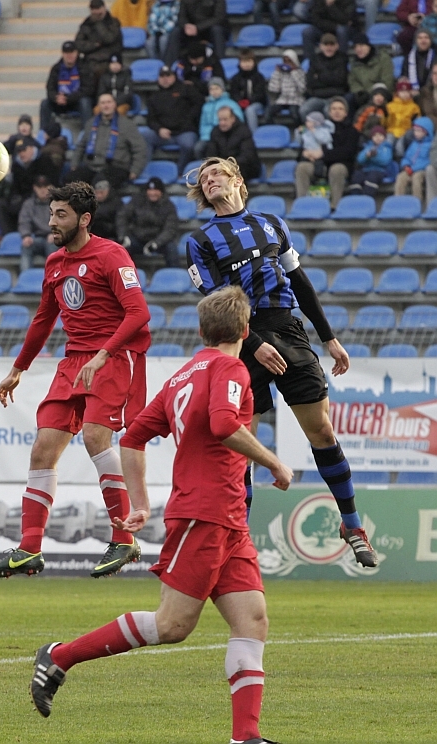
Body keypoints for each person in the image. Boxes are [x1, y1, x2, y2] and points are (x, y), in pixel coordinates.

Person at [28, 284, 294, 744]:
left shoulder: (182, 375)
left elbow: (132, 436)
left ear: (201, 331)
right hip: (204, 512)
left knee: (252, 620)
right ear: (245, 330)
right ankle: (60, 656)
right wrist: (273, 462)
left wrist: (141, 503)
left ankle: (245, 737)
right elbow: (224, 424)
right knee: (172, 625)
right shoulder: (231, 368)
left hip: (227, 518)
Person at [186, 156, 378, 568]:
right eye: (204, 179)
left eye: (216, 173)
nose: (210, 180)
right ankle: (237, 543)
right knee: (242, 446)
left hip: (287, 330)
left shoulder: (272, 223)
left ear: (237, 180)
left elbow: (300, 282)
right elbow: (216, 303)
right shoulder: (200, 240)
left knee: (321, 430)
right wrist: (252, 343)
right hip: (239, 342)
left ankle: (352, 525)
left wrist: (328, 337)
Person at [0, 181, 151, 580]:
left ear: (84, 219)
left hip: (114, 356)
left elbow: (138, 313)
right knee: (43, 449)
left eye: (61, 215)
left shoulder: (112, 255)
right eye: (51, 213)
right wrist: (18, 369)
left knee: (94, 437)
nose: (52, 222)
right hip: (74, 361)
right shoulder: (55, 262)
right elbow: (44, 319)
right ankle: (29, 549)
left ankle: (124, 538)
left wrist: (104, 354)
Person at [69, 92, 147, 189]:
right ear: (99, 106)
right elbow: (81, 146)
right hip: (92, 167)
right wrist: (74, 165)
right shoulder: (91, 123)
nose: (106, 106)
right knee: (70, 179)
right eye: (103, 103)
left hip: (117, 167)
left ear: (114, 104)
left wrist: (135, 170)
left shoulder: (127, 125)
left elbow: (139, 148)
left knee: (100, 182)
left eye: (109, 102)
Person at [295, 96, 359, 208]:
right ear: (329, 112)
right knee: (302, 167)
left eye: (340, 109)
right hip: (317, 164)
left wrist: (323, 154)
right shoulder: (318, 128)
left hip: (340, 165)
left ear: (346, 113)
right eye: (334, 109)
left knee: (337, 169)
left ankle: (334, 206)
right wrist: (305, 154)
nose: (337, 111)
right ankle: (302, 205)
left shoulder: (351, 131)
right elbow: (306, 145)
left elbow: (348, 152)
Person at [143, 66, 204, 174]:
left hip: (184, 131)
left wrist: (188, 121)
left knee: (188, 144)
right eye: (162, 76)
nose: (165, 79)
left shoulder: (186, 89)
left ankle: (180, 172)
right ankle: (145, 171)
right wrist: (159, 129)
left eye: (168, 75)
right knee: (145, 136)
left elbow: (199, 104)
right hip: (164, 134)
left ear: (174, 77)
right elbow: (150, 119)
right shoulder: (153, 97)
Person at [0, 136, 61, 235]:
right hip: (23, 197)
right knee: (1, 204)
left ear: (31, 148)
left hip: (41, 197)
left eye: (24, 150)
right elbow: (15, 187)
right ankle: (9, 236)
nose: (21, 154)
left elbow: (53, 183)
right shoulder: (17, 165)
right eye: (19, 151)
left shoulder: (45, 160)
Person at [116, 176, 179, 266]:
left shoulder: (169, 206)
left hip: (159, 240)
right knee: (123, 248)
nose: (152, 193)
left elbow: (170, 229)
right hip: (138, 239)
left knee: (171, 248)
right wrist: (123, 236)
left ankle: (174, 273)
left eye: (156, 190)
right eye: (150, 190)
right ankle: (127, 273)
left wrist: (156, 243)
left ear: (161, 192)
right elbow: (122, 216)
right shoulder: (137, 201)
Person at [39, 40, 95, 131]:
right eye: (66, 52)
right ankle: (43, 134)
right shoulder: (56, 68)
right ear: (63, 54)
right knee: (45, 104)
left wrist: (68, 98)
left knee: (85, 102)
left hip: (76, 101)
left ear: (76, 53)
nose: (69, 55)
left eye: (72, 52)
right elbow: (50, 88)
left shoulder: (84, 67)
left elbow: (88, 89)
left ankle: (87, 133)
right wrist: (56, 98)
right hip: (60, 102)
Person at [300, 33, 349, 121]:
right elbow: (310, 81)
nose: (329, 48)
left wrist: (320, 77)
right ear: (321, 46)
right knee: (304, 110)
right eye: (326, 44)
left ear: (337, 46)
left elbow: (341, 80)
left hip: (335, 97)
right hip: (317, 97)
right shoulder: (315, 59)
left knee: (328, 112)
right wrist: (331, 77)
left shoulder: (342, 59)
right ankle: (311, 129)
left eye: (331, 45)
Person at [206, 106, 262, 181]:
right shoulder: (215, 132)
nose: (222, 123)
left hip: (243, 168)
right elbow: (211, 154)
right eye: (220, 120)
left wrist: (228, 165)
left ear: (233, 119)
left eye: (225, 119)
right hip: (222, 168)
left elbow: (247, 156)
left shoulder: (244, 131)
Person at [164, 0, 228, 65]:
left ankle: (221, 64)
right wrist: (186, 26)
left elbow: (219, 18)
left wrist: (198, 27)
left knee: (217, 30)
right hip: (191, 29)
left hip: (209, 29)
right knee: (176, 32)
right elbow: (181, 16)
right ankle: (169, 66)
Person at [196, 77, 245, 159]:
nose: (214, 91)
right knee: (198, 149)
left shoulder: (231, 104)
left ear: (222, 89)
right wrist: (205, 135)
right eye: (211, 89)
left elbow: (239, 120)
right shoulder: (206, 106)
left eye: (216, 88)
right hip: (207, 137)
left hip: (225, 135)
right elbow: (203, 124)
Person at [17, 175, 57, 272]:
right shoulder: (29, 204)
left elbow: (65, 222)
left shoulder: (58, 203)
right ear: (35, 188)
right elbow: (24, 222)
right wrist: (26, 236)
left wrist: (56, 233)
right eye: (39, 187)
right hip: (38, 238)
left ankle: (52, 277)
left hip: (56, 239)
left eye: (45, 186)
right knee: (26, 246)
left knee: (53, 245)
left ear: (51, 187)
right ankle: (25, 277)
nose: (43, 190)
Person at [74, 0, 123, 79]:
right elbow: (78, 44)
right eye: (94, 14)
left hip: (109, 59)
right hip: (90, 60)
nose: (97, 16)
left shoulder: (113, 23)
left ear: (104, 8)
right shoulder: (86, 24)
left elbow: (109, 39)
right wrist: (95, 45)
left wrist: (98, 24)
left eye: (99, 14)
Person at [348, 33, 394, 109]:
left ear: (368, 46)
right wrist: (360, 92)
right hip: (363, 95)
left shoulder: (383, 58)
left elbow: (387, 80)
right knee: (349, 99)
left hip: (381, 93)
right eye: (355, 47)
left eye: (361, 45)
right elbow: (353, 81)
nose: (358, 49)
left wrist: (372, 93)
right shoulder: (355, 63)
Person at [229, 48, 268, 134]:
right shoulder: (235, 78)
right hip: (239, 103)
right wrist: (239, 101)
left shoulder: (259, 77)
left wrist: (249, 101)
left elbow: (260, 94)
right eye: (244, 62)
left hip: (257, 103)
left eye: (249, 61)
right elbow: (234, 93)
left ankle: (253, 134)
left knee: (250, 110)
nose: (246, 64)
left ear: (254, 62)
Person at [395, 115, 434, 200]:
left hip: (421, 170)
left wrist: (414, 169)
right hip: (410, 169)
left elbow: (429, 161)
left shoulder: (430, 145)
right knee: (400, 177)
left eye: (419, 131)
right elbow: (406, 157)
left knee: (416, 179)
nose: (416, 133)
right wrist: (406, 165)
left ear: (426, 132)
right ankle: (398, 200)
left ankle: (417, 201)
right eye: (415, 130)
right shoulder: (414, 144)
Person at [347, 124, 394, 196]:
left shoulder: (386, 148)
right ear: (371, 137)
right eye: (375, 136)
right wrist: (366, 156)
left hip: (380, 171)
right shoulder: (367, 147)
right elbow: (359, 159)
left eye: (380, 135)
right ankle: (355, 197)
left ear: (384, 137)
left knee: (372, 177)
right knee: (356, 176)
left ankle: (366, 198)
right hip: (366, 170)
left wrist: (374, 156)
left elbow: (385, 161)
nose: (378, 138)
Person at [266, 49, 306, 127]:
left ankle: (299, 129)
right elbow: (273, 89)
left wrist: (293, 72)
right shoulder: (281, 73)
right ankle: (272, 130)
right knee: (268, 112)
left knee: (295, 114)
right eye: (285, 61)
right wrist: (277, 73)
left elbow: (303, 89)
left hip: (296, 100)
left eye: (289, 61)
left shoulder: (300, 72)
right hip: (282, 99)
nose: (287, 63)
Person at [294, 110, 334, 181]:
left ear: (316, 123)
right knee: (300, 165)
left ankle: (319, 177)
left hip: (320, 153)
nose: (306, 123)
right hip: (308, 152)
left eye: (309, 121)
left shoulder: (324, 130)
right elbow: (300, 141)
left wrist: (314, 131)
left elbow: (324, 140)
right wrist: (298, 132)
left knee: (319, 166)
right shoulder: (306, 131)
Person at [386, 79, 421, 150]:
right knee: (388, 143)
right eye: (402, 91)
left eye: (407, 91)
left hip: (405, 132)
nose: (404, 94)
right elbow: (385, 121)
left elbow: (417, 120)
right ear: (397, 93)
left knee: (399, 148)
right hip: (391, 131)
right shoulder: (390, 106)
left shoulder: (414, 107)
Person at [401, 28, 437, 93]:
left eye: (426, 38)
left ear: (430, 40)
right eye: (420, 38)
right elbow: (405, 76)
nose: (423, 41)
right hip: (412, 92)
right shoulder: (409, 58)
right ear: (416, 41)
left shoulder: (435, 56)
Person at [420, 61, 437, 126]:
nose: (436, 76)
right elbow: (428, 113)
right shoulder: (426, 92)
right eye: (434, 73)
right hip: (432, 126)